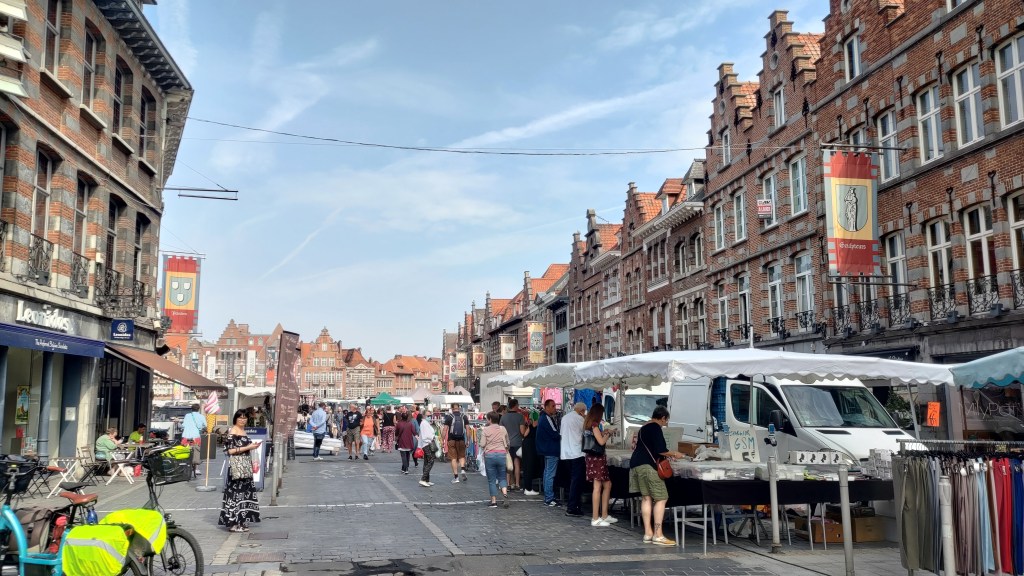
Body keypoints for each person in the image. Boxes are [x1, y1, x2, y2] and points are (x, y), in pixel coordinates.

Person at [629, 406, 683, 546]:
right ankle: (658, 535)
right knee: (661, 498)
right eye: (666, 421)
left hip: (636, 465)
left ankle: (648, 533)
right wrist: (675, 454)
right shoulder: (655, 428)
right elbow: (661, 450)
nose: (666, 423)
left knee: (646, 498)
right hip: (648, 466)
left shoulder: (644, 428)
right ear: (663, 418)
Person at [219, 409, 262, 533]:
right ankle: (233, 523)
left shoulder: (243, 431)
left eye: (244, 418)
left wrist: (252, 447)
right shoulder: (233, 431)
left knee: (244, 494)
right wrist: (248, 447)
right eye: (240, 418)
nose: (243, 420)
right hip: (237, 467)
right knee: (235, 494)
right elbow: (230, 451)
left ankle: (241, 521)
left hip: (245, 466)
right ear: (235, 419)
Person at [584, 404, 616, 527]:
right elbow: (601, 441)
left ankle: (604, 514)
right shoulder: (594, 425)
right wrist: (608, 434)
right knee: (597, 487)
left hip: (594, 458)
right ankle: (595, 518)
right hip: (597, 459)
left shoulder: (588, 425)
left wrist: (604, 432)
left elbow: (596, 438)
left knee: (607, 484)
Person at [560, 402, 587, 517]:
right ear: (581, 410)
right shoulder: (580, 419)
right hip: (577, 453)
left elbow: (562, 434)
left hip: (566, 453)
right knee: (576, 481)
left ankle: (574, 505)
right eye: (584, 412)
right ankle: (572, 507)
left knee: (572, 480)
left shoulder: (565, 418)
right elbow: (586, 432)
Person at [480, 411, 510, 508]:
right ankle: (505, 494)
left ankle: (493, 501)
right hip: (502, 454)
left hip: (490, 455)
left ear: (490, 419)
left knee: (491, 479)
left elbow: (482, 444)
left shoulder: (485, 430)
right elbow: (508, 442)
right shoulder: (503, 429)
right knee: (502, 476)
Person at [536, 399, 562, 506]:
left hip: (546, 449)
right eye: (552, 406)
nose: (554, 408)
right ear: (546, 407)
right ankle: (549, 498)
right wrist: (561, 436)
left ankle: (548, 496)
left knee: (547, 473)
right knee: (550, 474)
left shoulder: (543, 418)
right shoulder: (546, 418)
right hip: (550, 449)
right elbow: (554, 434)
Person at [499, 398, 526, 490]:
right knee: (517, 463)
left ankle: (508, 484)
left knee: (508, 464)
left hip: (506, 444)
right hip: (518, 443)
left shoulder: (503, 417)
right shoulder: (520, 417)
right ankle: (517, 484)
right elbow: (522, 432)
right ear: (516, 405)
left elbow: (501, 431)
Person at [442, 403, 470, 483]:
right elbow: (468, 429)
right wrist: (468, 440)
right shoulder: (464, 416)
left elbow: (445, 429)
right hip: (461, 439)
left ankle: (456, 477)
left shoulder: (449, 417)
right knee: (461, 456)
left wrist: (442, 440)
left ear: (452, 408)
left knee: (453, 458)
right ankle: (463, 469)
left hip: (451, 440)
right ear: (459, 408)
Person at [181, 404, 205, 475]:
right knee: (196, 451)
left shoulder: (187, 416)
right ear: (199, 409)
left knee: (185, 450)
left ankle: (185, 467)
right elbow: (205, 425)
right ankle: (196, 469)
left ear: (191, 409)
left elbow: (183, 425)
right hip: (196, 437)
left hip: (186, 436)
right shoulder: (201, 416)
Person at [520, 409, 540, 496]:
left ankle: (527, 487)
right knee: (529, 467)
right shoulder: (535, 425)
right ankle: (528, 488)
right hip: (531, 447)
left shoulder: (530, 425)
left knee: (527, 467)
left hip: (527, 445)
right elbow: (525, 434)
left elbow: (524, 435)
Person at [417, 413, 436, 487]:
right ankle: (423, 479)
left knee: (427, 461)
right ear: (424, 416)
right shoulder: (424, 423)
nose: (429, 417)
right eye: (428, 415)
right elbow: (425, 435)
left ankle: (426, 479)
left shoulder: (425, 423)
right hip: (427, 444)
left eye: (430, 415)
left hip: (426, 443)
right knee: (431, 460)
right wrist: (431, 438)